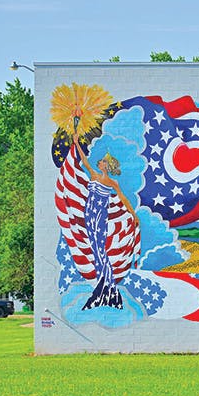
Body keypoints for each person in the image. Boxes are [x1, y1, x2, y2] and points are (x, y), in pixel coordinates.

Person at [74, 131, 138, 310]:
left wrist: (133, 215)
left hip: (100, 216)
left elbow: (123, 199)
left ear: (106, 166)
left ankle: (108, 287)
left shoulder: (112, 183)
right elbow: (84, 161)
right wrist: (76, 143)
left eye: (102, 161)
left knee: (100, 250)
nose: (99, 162)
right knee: (95, 250)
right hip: (89, 214)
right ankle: (103, 285)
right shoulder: (93, 175)